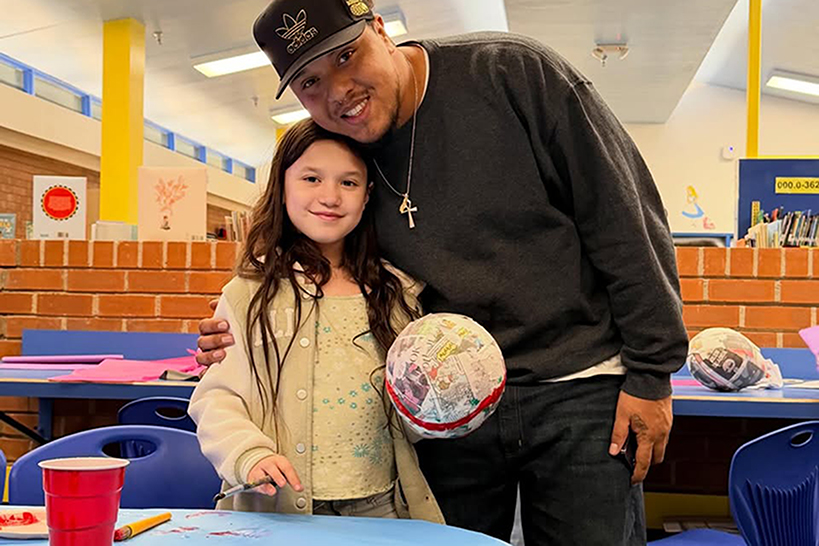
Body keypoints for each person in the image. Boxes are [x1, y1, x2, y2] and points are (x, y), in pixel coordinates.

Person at [197, 0, 689, 543]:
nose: (337, 90)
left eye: (345, 56)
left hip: (579, 387)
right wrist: (239, 328)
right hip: (442, 409)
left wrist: (651, 372)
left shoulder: (512, 72)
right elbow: (315, 276)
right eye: (310, 82)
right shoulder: (347, 152)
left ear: (380, 30)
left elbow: (624, 216)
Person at [188, 118, 444, 523]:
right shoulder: (248, 294)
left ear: (367, 195)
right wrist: (248, 454)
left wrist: (440, 404)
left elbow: (413, 409)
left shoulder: (397, 294)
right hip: (275, 510)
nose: (330, 196)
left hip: (380, 510)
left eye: (348, 182)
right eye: (311, 178)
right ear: (282, 186)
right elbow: (217, 397)